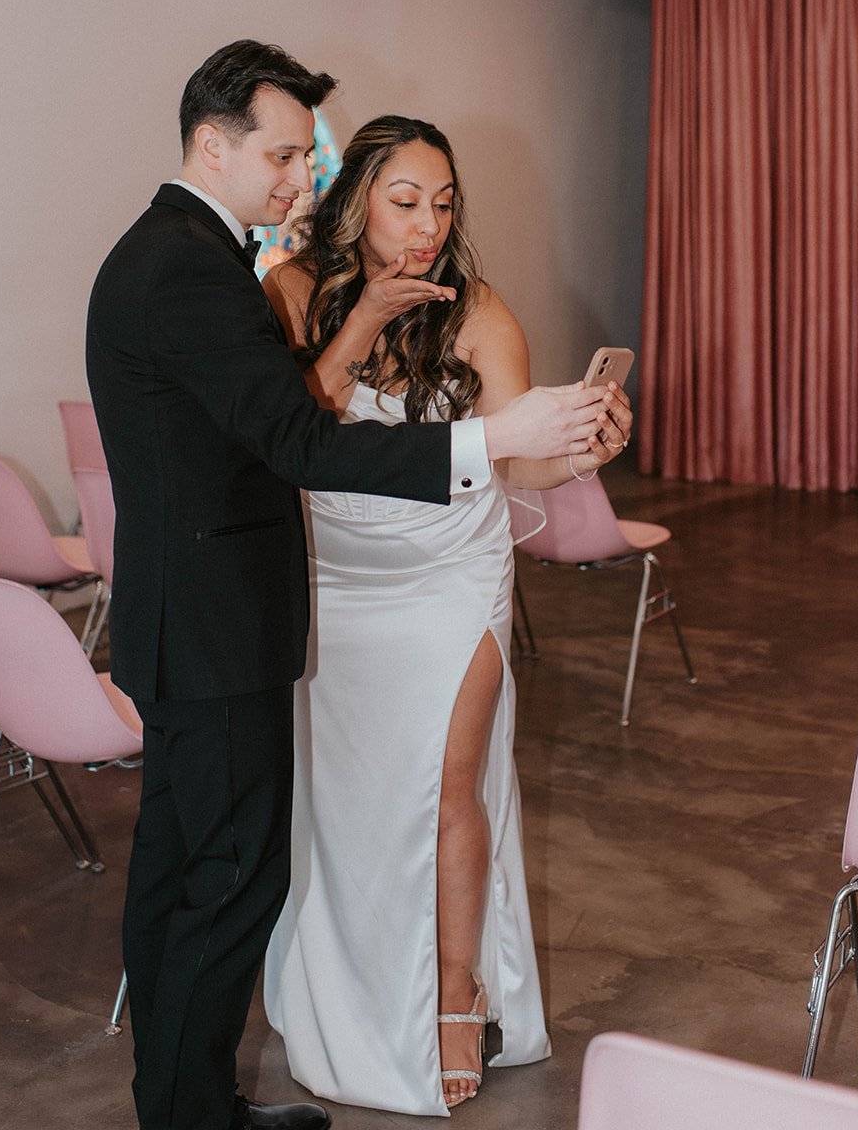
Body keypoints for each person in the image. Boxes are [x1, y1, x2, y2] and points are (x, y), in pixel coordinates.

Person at [85, 43, 611, 1130]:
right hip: (229, 621)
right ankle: (190, 1110)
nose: (295, 180)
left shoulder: (176, 252)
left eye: (304, 157)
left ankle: (190, 1098)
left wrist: (545, 439)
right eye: (283, 154)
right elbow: (291, 436)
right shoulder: (195, 264)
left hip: (279, 609)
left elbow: (264, 429)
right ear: (212, 143)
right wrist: (480, 433)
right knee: (222, 880)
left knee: (189, 874)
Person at [261, 115, 632, 1115]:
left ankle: (457, 993)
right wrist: (368, 316)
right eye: (406, 201)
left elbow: (517, 463)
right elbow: (287, 421)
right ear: (356, 202)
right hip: (333, 582)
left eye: (445, 202)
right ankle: (349, 974)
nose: (430, 225)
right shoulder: (291, 291)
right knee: (342, 799)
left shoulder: (483, 315)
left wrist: (583, 444)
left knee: (448, 786)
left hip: (450, 582)